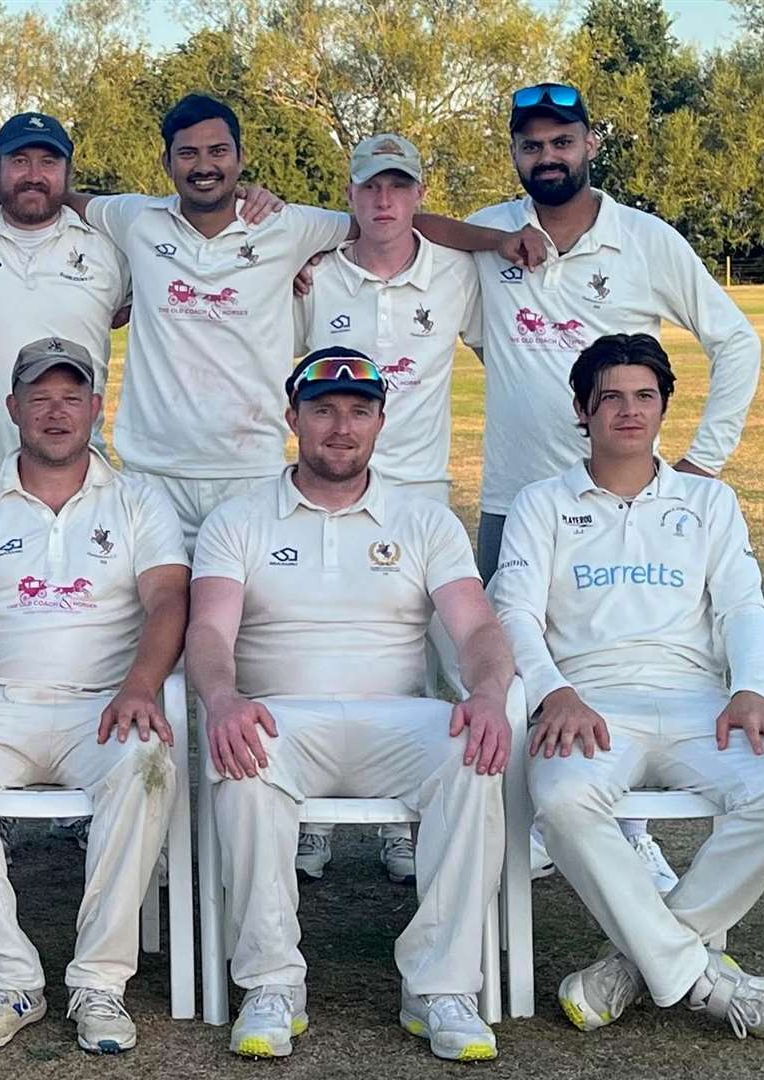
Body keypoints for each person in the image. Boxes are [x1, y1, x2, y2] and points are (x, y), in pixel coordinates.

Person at [465, 83, 763, 888]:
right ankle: (542, 821)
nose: (547, 156)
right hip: (517, 498)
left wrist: (702, 463)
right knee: (516, 662)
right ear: (516, 154)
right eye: (531, 145)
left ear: (591, 143)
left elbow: (737, 341)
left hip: (628, 498)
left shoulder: (644, 238)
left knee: (620, 667)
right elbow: (398, 236)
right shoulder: (490, 232)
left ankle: (627, 832)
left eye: (562, 141)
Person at [489, 333, 764, 1043]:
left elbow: (743, 606)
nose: (629, 411)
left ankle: (639, 963)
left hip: (701, 699)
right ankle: (707, 982)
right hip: (591, 705)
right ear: (582, 409)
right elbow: (511, 610)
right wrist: (552, 691)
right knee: (563, 798)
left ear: (665, 406)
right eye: (611, 397)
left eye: (645, 395)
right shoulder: (542, 503)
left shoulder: (709, 501)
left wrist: (755, 686)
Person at [186, 349, 515, 1062]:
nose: (342, 427)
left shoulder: (424, 520)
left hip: (398, 719)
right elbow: (209, 629)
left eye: (359, 410)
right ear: (293, 417)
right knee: (243, 748)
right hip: (281, 716)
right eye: (325, 409)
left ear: (381, 422)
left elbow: (480, 628)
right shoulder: (239, 519)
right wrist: (221, 695)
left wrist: (489, 692)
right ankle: (272, 984)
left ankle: (441, 987)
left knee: (473, 749)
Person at [66, 93, 547, 548]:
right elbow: (63, 198)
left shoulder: (288, 225)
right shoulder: (135, 216)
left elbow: (403, 223)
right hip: (152, 468)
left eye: (218, 151)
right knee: (157, 615)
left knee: (249, 624)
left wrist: (495, 241)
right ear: (166, 161)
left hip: (249, 467)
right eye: (188, 153)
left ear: (240, 156)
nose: (205, 165)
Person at [0, 337, 188, 1054]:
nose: (56, 413)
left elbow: (169, 604)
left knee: (146, 763)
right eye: (39, 397)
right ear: (12, 408)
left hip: (104, 702)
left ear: (96, 406)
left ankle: (99, 983)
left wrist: (141, 685)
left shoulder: (138, 500)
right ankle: (9, 978)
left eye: (71, 397)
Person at [291, 132, 481, 885]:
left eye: (398, 187)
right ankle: (309, 815)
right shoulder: (312, 278)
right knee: (325, 641)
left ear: (419, 195)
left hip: (420, 493)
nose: (383, 201)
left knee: (430, 657)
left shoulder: (458, 276)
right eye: (371, 187)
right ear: (351, 194)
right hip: (330, 486)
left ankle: (410, 815)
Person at [0, 114, 130, 483]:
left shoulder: (109, 249)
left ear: (68, 171)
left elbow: (125, 313)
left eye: (49, 162)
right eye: (19, 161)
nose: (34, 175)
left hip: (81, 480)